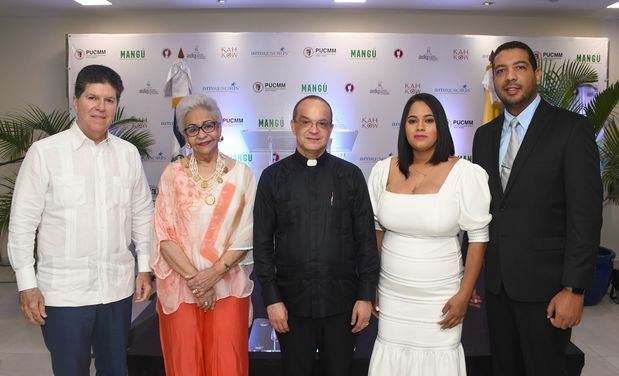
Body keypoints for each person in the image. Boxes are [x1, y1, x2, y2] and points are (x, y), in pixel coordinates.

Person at [7, 64, 153, 375]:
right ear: (76, 102)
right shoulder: (45, 153)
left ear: (116, 106)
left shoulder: (127, 154)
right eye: (92, 97)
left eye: (109, 100)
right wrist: (26, 284)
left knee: (116, 368)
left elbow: (142, 212)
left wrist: (145, 267)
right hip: (63, 294)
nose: (101, 107)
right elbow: (22, 224)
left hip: (116, 291)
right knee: (70, 369)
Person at [473, 41, 602, 375]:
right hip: (498, 286)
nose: (510, 78)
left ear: (537, 73)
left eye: (519, 67)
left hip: (548, 289)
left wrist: (574, 288)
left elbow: (585, 216)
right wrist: (471, 277)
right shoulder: (483, 136)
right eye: (501, 71)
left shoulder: (572, 129)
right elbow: (483, 212)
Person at [253, 95, 379, 376]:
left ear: (331, 129)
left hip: (342, 305)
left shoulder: (351, 176)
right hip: (291, 306)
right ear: (293, 126)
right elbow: (262, 245)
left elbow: (366, 242)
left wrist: (366, 296)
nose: (314, 130)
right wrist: (272, 299)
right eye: (306, 122)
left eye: (322, 123)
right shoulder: (272, 178)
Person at [367, 93, 492, 375]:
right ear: (404, 127)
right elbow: (375, 231)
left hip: (441, 296)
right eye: (412, 121)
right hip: (392, 294)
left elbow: (478, 238)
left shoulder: (465, 173)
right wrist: (371, 283)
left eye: (428, 120)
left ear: (441, 126)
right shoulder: (382, 170)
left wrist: (465, 292)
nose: (420, 127)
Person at [151, 94, 255, 376]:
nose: (202, 134)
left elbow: (247, 234)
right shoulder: (172, 175)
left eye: (208, 126)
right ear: (185, 136)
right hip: (181, 286)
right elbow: (163, 234)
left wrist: (213, 276)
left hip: (228, 286)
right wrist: (197, 282)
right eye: (193, 129)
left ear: (220, 130)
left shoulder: (242, 175)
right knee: (185, 364)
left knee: (227, 365)